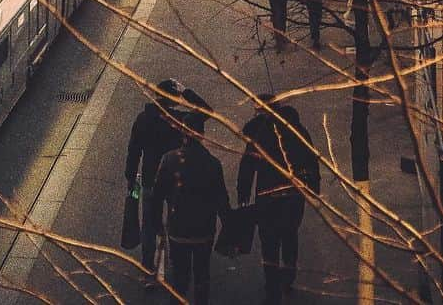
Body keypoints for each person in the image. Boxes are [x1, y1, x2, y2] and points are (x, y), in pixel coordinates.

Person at [238, 99, 320, 303]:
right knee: (290, 235)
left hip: (266, 196)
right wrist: (313, 189)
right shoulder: (298, 130)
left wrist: (243, 192)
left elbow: (247, 165)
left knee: (269, 240)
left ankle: (272, 280)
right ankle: (289, 275)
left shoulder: (259, 134)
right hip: (293, 196)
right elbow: (312, 161)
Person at [152, 120, 231, 302]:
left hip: (178, 229)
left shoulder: (169, 159)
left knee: (180, 276)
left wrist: (158, 225)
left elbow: (157, 197)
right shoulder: (212, 163)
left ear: (183, 134)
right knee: (202, 275)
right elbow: (221, 200)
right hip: (204, 230)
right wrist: (229, 227)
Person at [125, 81, 191, 278]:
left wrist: (130, 177)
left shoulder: (143, 119)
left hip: (150, 179)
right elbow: (206, 111)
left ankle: (148, 266)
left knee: (149, 224)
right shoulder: (178, 120)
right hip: (173, 181)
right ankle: (177, 261)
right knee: (176, 219)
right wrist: (186, 91)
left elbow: (134, 150)